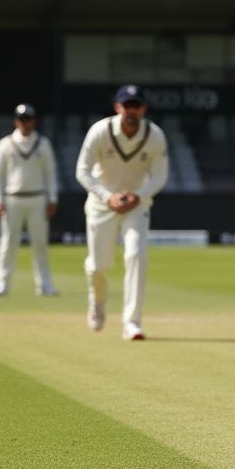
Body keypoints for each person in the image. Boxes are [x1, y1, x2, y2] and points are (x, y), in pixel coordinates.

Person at [75, 84, 169, 341]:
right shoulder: (100, 131)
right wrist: (108, 196)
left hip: (136, 205)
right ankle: (97, 301)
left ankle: (132, 322)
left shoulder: (155, 135)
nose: (131, 110)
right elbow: (82, 171)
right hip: (100, 205)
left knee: (137, 254)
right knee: (98, 265)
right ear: (117, 107)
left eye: (136, 106)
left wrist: (137, 195)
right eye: (126, 105)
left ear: (143, 109)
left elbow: (160, 176)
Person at [0, 103, 59, 297]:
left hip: (37, 198)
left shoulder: (43, 144)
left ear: (34, 121)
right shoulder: (5, 144)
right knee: (8, 244)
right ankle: (2, 284)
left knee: (40, 244)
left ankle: (45, 285)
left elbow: (50, 173)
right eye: (21, 119)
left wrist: (52, 198)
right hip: (12, 200)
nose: (24, 123)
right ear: (15, 121)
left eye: (28, 119)